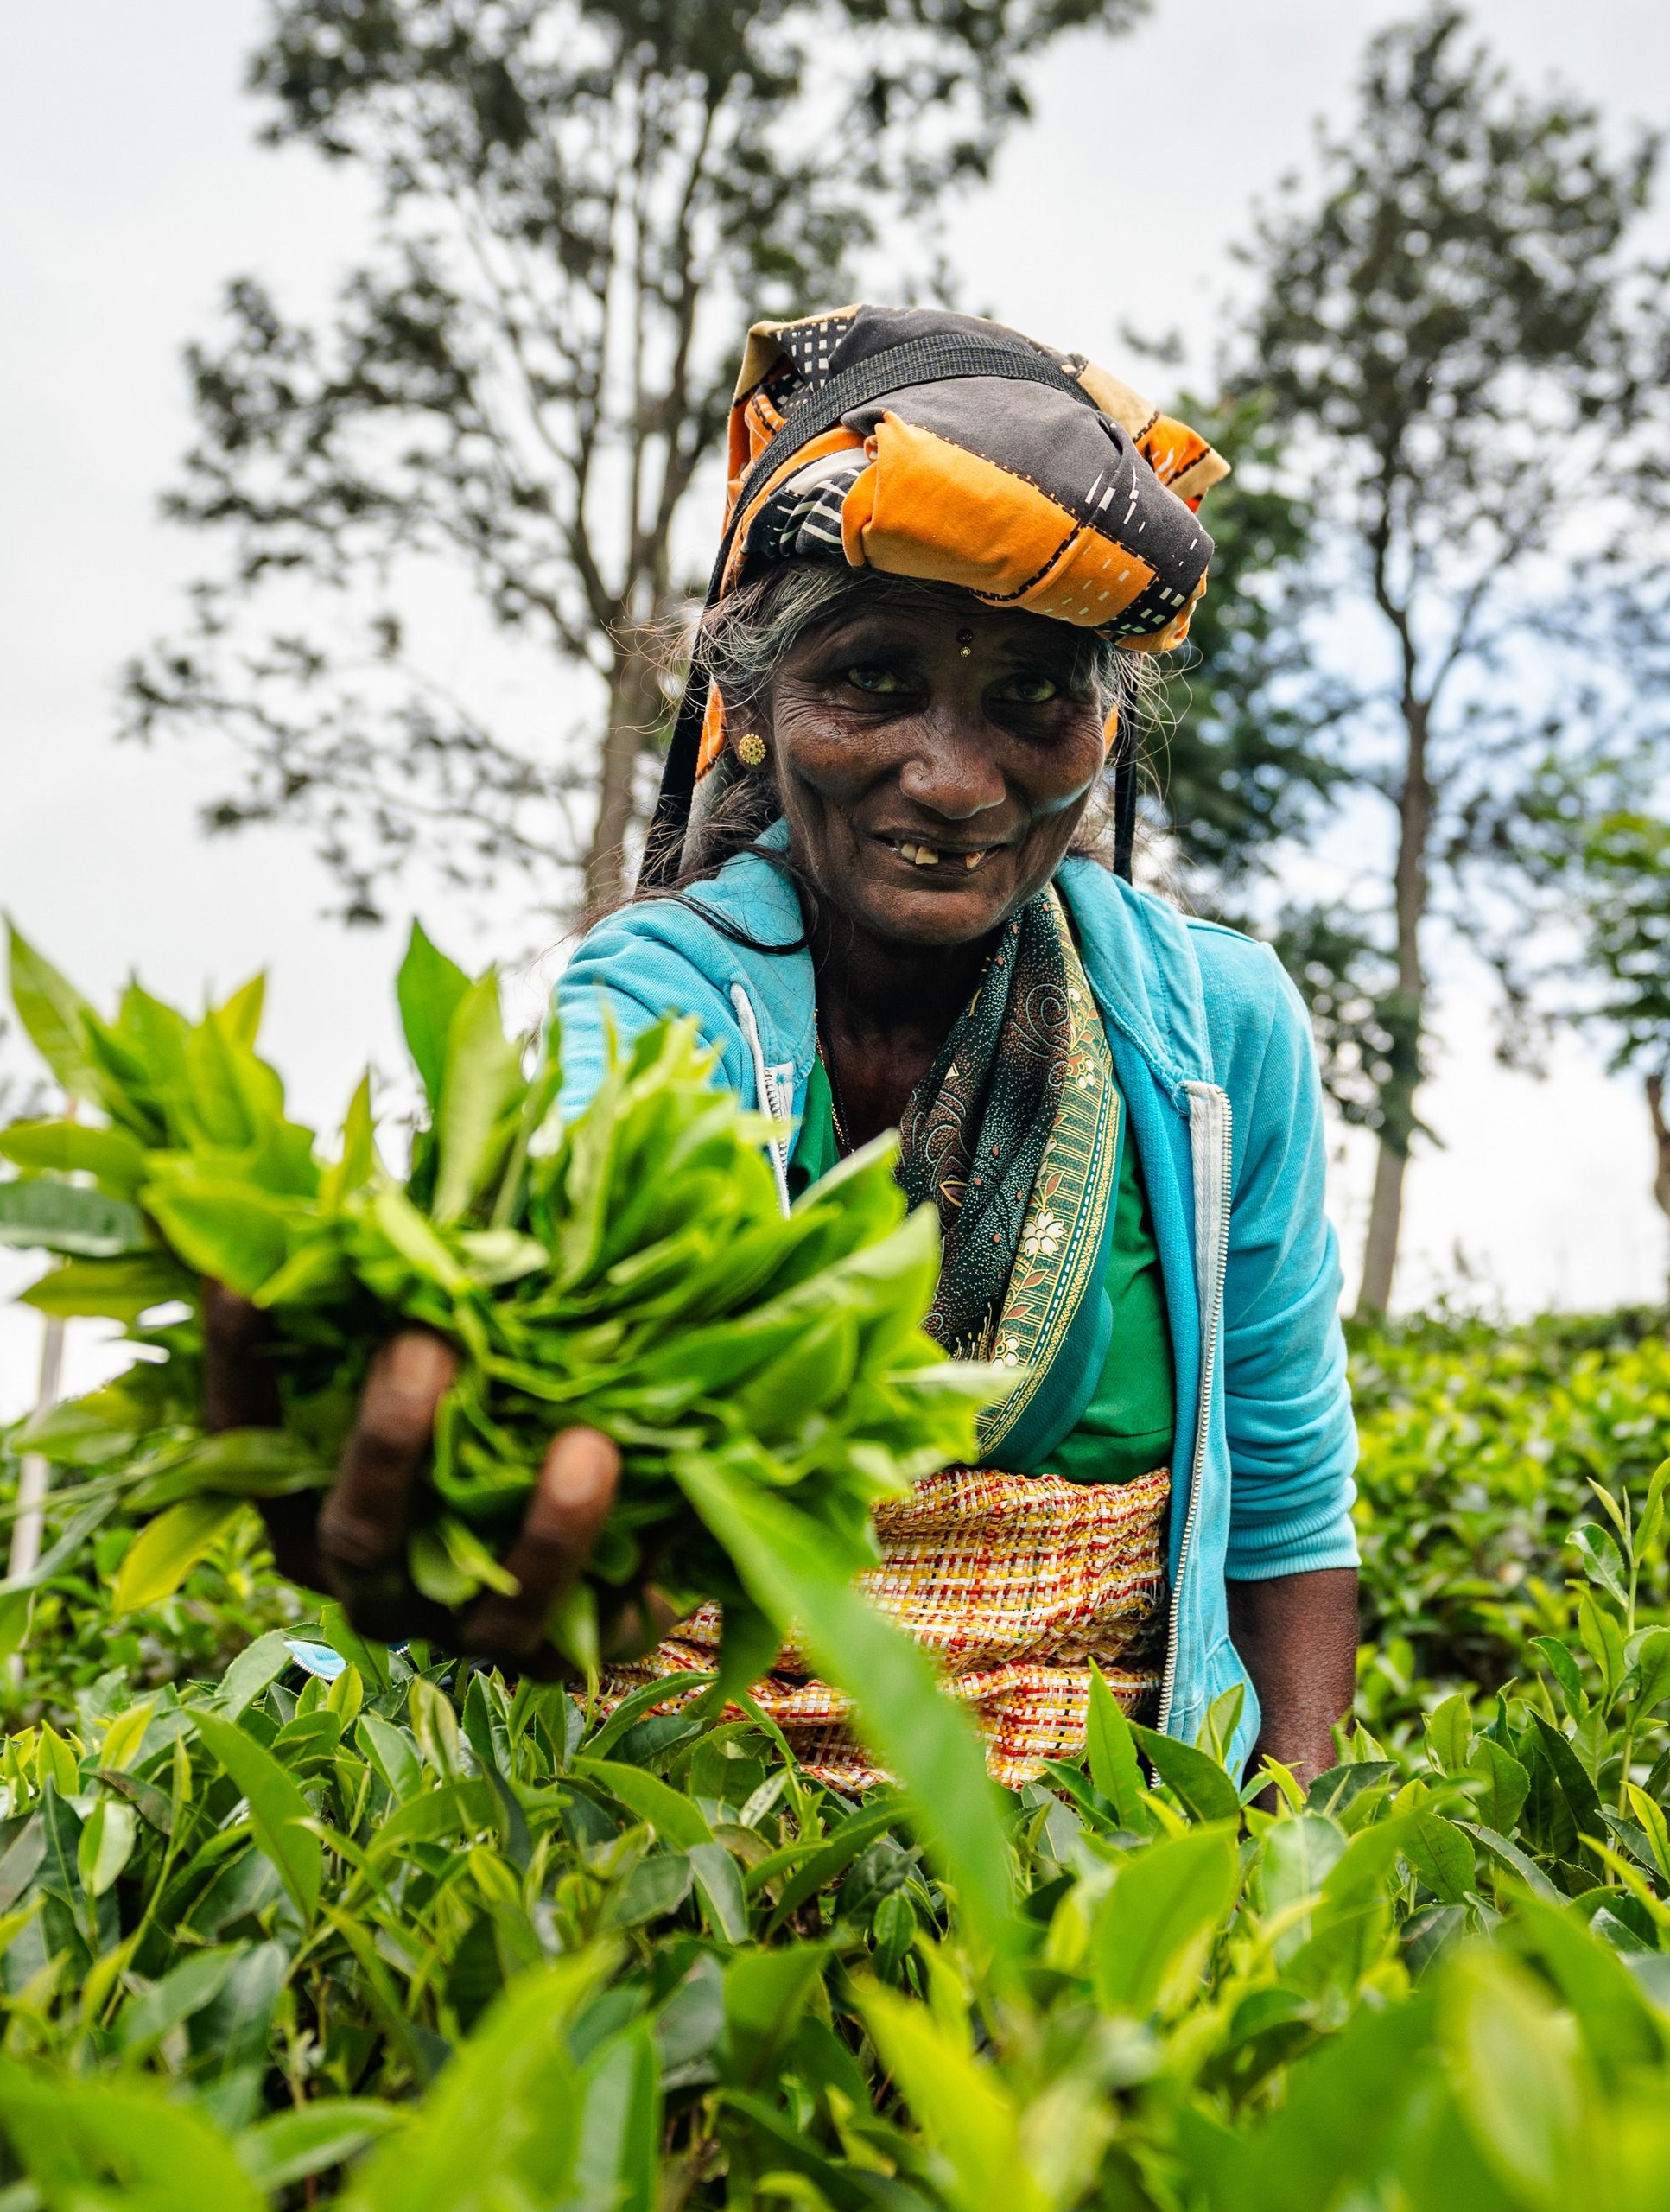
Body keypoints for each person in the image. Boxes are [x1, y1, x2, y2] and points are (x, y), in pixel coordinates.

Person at [207, 306, 1359, 1786]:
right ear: (749, 703)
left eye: (1033, 695)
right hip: (688, 1828)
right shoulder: (651, 1002)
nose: (952, 778)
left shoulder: (1220, 1034)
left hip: (1107, 1862)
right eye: (873, 679)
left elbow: (1283, 1508)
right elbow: (568, 1291)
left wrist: (1293, 1856)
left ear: (1104, 737)